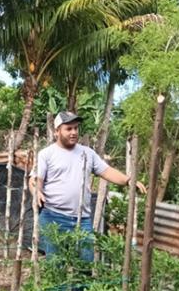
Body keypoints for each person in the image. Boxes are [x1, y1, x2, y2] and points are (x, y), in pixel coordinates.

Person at [30, 111, 146, 261]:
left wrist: (129, 180)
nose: (73, 132)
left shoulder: (87, 153)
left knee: (86, 263)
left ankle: (81, 286)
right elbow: (35, 179)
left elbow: (107, 171)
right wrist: (37, 191)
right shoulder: (47, 154)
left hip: (82, 218)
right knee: (56, 265)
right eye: (69, 129)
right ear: (57, 131)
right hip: (54, 216)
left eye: (76, 128)